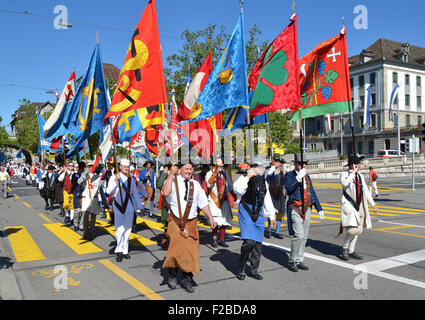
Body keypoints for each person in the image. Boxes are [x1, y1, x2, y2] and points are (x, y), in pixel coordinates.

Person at [161, 162, 216, 293]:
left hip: (191, 223)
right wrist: (170, 175)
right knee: (176, 251)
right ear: (179, 170)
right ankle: (173, 276)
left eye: (191, 169)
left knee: (191, 253)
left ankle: (187, 279)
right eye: (186, 168)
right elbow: (165, 193)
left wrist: (210, 217)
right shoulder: (173, 181)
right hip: (175, 222)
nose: (189, 171)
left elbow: (203, 203)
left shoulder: (195, 184)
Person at [233, 163, 276, 281]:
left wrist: (272, 216)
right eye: (258, 166)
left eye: (262, 166)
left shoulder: (263, 181)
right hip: (247, 209)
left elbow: (266, 199)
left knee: (257, 243)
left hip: (259, 211)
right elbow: (237, 190)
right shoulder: (244, 178)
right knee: (249, 242)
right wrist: (248, 177)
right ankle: (241, 267)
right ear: (252, 167)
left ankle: (253, 270)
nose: (262, 168)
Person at [284, 154, 324, 272]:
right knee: (299, 236)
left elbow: (312, 192)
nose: (304, 165)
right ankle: (292, 260)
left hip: (307, 208)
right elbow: (289, 189)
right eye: (302, 163)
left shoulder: (307, 176)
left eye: (305, 163)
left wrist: (319, 208)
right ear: (295, 164)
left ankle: (299, 260)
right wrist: (297, 179)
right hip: (295, 208)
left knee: (304, 236)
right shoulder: (289, 175)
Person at [339, 155, 378, 261]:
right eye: (359, 163)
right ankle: (344, 248)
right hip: (350, 206)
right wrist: (353, 173)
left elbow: (365, 190)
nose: (360, 165)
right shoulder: (344, 174)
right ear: (353, 165)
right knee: (352, 230)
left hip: (360, 205)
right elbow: (345, 184)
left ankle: (351, 250)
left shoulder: (360, 176)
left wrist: (372, 204)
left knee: (360, 229)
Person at [106, 159, 144, 262]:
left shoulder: (131, 179)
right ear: (120, 167)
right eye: (124, 166)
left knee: (127, 229)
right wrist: (115, 181)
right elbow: (108, 191)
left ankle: (125, 250)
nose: (126, 168)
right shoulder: (114, 177)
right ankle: (118, 251)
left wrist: (140, 207)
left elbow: (135, 194)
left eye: (128, 167)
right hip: (118, 206)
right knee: (119, 229)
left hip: (129, 207)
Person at [205, 158, 234, 248]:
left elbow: (229, 185)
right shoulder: (209, 173)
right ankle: (214, 238)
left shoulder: (224, 173)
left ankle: (221, 239)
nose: (221, 163)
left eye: (221, 162)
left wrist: (233, 193)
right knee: (215, 220)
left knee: (224, 220)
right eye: (219, 162)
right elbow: (209, 184)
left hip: (224, 199)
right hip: (214, 200)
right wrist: (215, 173)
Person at [266, 156, 289, 239]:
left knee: (280, 213)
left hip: (280, 195)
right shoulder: (270, 171)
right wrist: (272, 172)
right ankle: (269, 229)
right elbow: (268, 179)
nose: (275, 163)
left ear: (280, 164)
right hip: (272, 193)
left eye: (277, 162)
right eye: (275, 161)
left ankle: (277, 231)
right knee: (271, 211)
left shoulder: (283, 172)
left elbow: (286, 183)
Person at [79, 161, 102, 241]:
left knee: (93, 217)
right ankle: (85, 233)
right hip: (86, 198)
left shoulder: (98, 177)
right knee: (85, 216)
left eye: (92, 166)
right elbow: (79, 182)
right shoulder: (85, 175)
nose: (91, 167)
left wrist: (101, 200)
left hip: (94, 198)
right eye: (90, 166)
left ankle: (92, 232)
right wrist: (85, 175)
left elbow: (100, 188)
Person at [156, 164, 171, 249]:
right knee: (167, 224)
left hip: (177, 205)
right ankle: (165, 238)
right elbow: (159, 185)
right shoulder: (166, 179)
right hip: (167, 205)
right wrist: (164, 174)